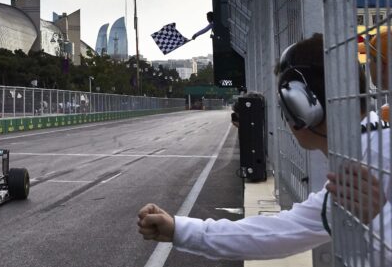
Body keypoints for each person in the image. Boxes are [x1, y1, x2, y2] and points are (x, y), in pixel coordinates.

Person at [138, 33, 391, 263]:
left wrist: (379, 218)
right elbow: (276, 233)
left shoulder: (375, 157)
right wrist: (177, 229)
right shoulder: (359, 156)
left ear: (300, 107)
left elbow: (276, 233)